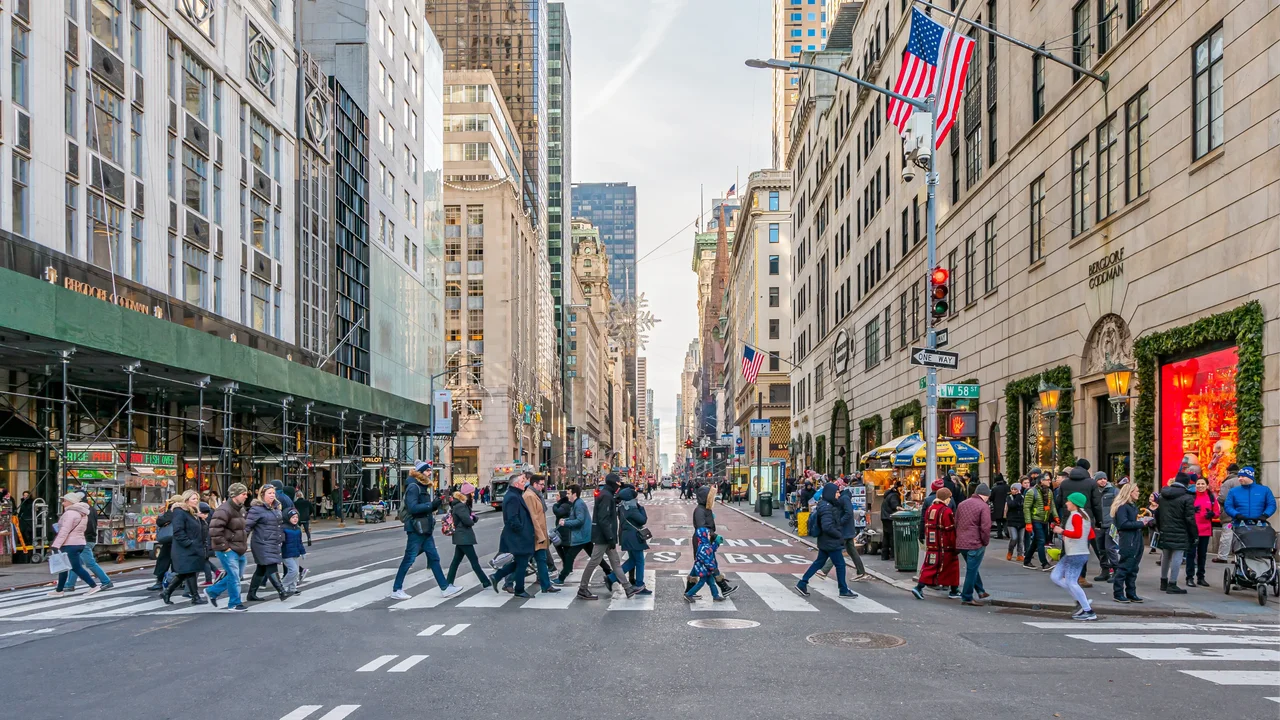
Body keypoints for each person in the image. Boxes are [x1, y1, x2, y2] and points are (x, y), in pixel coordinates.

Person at [389, 462, 460, 600]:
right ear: (420, 472)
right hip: (416, 528)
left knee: (434, 558)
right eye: (427, 471)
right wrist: (431, 505)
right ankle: (396, 589)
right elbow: (413, 508)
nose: (429, 473)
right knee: (409, 559)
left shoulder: (421, 486)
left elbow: (424, 507)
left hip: (424, 528)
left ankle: (445, 588)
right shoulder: (413, 487)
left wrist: (437, 503)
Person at [576, 474, 637, 600]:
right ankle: (583, 588)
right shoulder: (606, 496)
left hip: (607, 536)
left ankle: (627, 588)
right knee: (594, 561)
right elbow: (603, 520)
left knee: (615, 562)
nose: (618, 487)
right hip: (603, 537)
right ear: (613, 484)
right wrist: (610, 538)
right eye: (617, 484)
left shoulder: (607, 495)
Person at [795, 483, 857, 598]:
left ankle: (802, 583)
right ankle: (843, 589)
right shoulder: (827, 507)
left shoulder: (825, 505)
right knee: (840, 564)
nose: (838, 494)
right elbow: (827, 526)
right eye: (837, 492)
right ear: (831, 493)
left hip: (825, 541)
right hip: (831, 541)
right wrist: (839, 535)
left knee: (819, 562)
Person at [1050, 492, 1098, 621]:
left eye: (1069, 501)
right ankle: (1082, 601)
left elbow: (1077, 534)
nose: (1066, 503)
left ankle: (1088, 610)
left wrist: (1062, 532)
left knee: (1071, 582)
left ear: (1074, 504)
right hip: (1076, 552)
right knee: (1056, 577)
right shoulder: (1085, 516)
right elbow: (1090, 535)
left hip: (1075, 553)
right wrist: (1068, 536)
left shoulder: (1076, 516)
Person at [556, 484, 616, 584]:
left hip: (581, 536)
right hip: (585, 535)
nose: (567, 495)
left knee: (570, 556)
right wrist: (566, 520)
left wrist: (565, 523)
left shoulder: (578, 504)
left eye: (569, 493)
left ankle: (561, 578)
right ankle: (609, 571)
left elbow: (580, 520)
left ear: (574, 494)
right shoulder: (576, 503)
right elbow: (575, 518)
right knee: (595, 557)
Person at [1058, 461, 1106, 587]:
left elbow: (1058, 501)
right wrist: (1099, 520)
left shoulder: (1065, 483)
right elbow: (1096, 504)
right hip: (1085, 518)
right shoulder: (1091, 483)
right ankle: (1080, 577)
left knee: (1067, 547)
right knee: (1082, 548)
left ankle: (1063, 574)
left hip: (1068, 518)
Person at [47, 492, 100, 597]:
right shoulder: (82, 513)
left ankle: (93, 586)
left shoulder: (70, 513)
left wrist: (56, 545)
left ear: (71, 502)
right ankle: (59, 590)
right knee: (64, 567)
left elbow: (64, 531)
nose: (63, 503)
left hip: (70, 543)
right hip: (79, 542)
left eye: (65, 501)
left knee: (75, 567)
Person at [61, 489, 114, 593]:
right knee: (75, 563)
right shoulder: (91, 509)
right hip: (88, 538)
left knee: (89, 563)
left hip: (83, 539)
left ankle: (106, 581)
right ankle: (70, 584)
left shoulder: (81, 509)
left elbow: (84, 526)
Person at [493, 474, 537, 598]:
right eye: (523, 481)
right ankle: (519, 589)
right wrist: (522, 531)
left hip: (519, 536)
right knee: (522, 563)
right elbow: (512, 519)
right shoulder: (513, 497)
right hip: (518, 537)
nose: (525, 482)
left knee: (520, 562)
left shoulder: (515, 495)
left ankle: (497, 577)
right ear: (516, 484)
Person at [911, 487, 959, 600]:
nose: (950, 500)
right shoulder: (946, 511)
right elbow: (950, 530)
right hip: (945, 546)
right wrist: (955, 546)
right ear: (946, 498)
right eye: (949, 497)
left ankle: (953, 589)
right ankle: (953, 590)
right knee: (952, 567)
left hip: (933, 545)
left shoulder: (930, 509)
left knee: (930, 566)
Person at [207, 483, 249, 611]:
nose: (246, 496)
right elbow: (215, 530)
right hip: (228, 549)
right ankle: (234, 603)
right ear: (235, 495)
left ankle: (212, 592)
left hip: (238, 548)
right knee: (235, 576)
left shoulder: (240, 509)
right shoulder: (224, 510)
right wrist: (225, 547)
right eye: (243, 494)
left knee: (235, 575)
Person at [162, 490, 208, 605]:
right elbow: (178, 531)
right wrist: (189, 543)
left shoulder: (193, 512)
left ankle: (167, 592)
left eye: (197, 498)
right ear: (186, 500)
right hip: (184, 549)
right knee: (190, 572)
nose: (196, 501)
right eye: (193, 499)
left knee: (185, 573)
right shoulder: (180, 512)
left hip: (192, 547)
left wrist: (202, 520)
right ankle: (195, 597)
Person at [1155, 472, 1197, 594]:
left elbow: (1157, 514)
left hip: (1165, 529)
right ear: (1187, 483)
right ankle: (1172, 584)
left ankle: (1163, 581)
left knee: (1166, 555)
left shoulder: (1163, 495)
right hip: (1180, 530)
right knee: (1177, 557)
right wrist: (1194, 535)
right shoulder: (1187, 497)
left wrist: (1160, 527)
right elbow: (1190, 519)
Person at [245, 484, 288, 602]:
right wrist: (242, 542)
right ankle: (282, 591)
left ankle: (251, 594)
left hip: (273, 541)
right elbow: (247, 526)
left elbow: (279, 525)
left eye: (273, 493)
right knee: (271, 565)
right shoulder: (256, 509)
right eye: (269, 493)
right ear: (262, 495)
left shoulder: (275, 508)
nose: (272, 495)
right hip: (262, 542)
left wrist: (282, 538)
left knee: (261, 569)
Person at [820, 478, 868, 581]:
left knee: (837, 548)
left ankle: (824, 570)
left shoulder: (844, 498)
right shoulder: (844, 497)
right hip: (847, 529)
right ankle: (861, 572)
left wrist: (839, 522)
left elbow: (848, 513)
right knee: (851, 551)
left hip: (844, 529)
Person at [445, 484, 492, 588]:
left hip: (460, 537)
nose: (472, 494)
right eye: (471, 492)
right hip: (464, 536)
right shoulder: (461, 506)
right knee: (474, 561)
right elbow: (467, 521)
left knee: (456, 561)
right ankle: (485, 582)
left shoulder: (457, 505)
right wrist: (472, 519)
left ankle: (448, 582)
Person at [1111, 481, 1150, 603]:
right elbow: (1123, 524)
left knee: (1133, 568)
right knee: (1125, 567)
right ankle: (1118, 593)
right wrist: (1140, 523)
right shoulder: (1123, 507)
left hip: (1135, 539)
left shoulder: (1131, 506)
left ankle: (1131, 592)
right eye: (1136, 491)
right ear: (1130, 492)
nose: (1138, 493)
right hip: (1129, 540)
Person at [521, 474, 561, 594]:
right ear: (534, 484)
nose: (543, 487)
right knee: (523, 561)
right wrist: (540, 535)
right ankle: (504, 579)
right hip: (534, 535)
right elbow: (533, 518)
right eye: (541, 484)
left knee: (542, 560)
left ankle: (546, 585)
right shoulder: (529, 496)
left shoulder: (535, 495)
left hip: (539, 534)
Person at [955, 483, 992, 606]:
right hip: (975, 542)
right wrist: (985, 542)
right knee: (971, 570)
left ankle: (981, 591)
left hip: (961, 542)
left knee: (972, 567)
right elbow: (986, 527)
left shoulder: (962, 504)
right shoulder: (983, 506)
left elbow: (956, 523)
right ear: (986, 495)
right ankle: (967, 596)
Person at [618, 486, 652, 594]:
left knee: (632, 561)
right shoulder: (632, 509)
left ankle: (612, 578)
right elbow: (643, 520)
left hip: (627, 537)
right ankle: (639, 584)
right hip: (635, 538)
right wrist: (641, 508)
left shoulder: (622, 507)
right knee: (640, 561)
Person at [1187, 476, 1219, 587]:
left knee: (1202, 555)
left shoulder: (1211, 497)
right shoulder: (1191, 496)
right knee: (1191, 554)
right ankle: (1189, 577)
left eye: (1202, 484)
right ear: (1195, 485)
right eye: (1198, 484)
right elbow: (1184, 511)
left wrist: (1212, 514)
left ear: (1207, 485)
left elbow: (1217, 511)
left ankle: (1201, 577)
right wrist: (1192, 510)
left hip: (1205, 530)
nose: (1200, 486)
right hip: (1192, 529)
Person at [1023, 470, 1058, 571]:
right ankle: (1044, 563)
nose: (1050, 481)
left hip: (1044, 519)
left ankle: (1027, 560)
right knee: (1041, 540)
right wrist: (1028, 523)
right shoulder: (1031, 492)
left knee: (1036, 541)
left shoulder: (1049, 491)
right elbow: (1026, 508)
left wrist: (1055, 517)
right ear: (1041, 481)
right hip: (1036, 519)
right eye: (1047, 480)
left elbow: (1052, 506)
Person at [147, 495, 181, 591]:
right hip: (178, 539)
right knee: (176, 562)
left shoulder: (172, 512)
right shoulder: (184, 511)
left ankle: (160, 581)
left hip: (170, 540)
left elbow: (160, 521)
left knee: (164, 560)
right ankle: (178, 581)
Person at [685, 525, 725, 603]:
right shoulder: (703, 547)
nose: (710, 536)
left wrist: (716, 543)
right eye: (708, 535)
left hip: (706, 569)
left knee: (711, 582)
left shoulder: (705, 544)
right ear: (704, 536)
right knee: (701, 583)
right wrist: (713, 567)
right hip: (703, 569)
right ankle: (689, 594)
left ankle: (715, 595)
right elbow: (706, 560)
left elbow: (711, 549)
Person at [1214, 464, 1241, 564]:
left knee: (1227, 535)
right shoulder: (1244, 480)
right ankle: (1238, 558)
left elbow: (1222, 498)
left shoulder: (1228, 482)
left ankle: (1222, 556)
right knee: (1239, 536)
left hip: (1229, 515)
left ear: (1228, 472)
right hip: (1242, 514)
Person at [281, 509, 307, 595]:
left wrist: (302, 552)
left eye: (296, 517)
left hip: (295, 553)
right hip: (286, 553)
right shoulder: (283, 528)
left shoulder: (298, 529)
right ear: (288, 518)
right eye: (293, 517)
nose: (295, 519)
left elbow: (299, 542)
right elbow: (280, 541)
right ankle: (282, 586)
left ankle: (292, 588)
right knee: (294, 571)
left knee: (294, 573)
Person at [879, 482, 902, 561]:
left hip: (885, 517)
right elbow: (895, 506)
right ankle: (893, 555)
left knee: (886, 536)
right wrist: (903, 509)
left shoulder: (889, 494)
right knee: (892, 536)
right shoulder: (894, 495)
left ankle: (884, 555)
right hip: (890, 517)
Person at [1005, 480, 1025, 562]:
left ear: (1019, 490)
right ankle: (1010, 551)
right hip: (1012, 521)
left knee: (1021, 539)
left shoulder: (1023, 497)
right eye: (1012, 489)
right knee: (1014, 538)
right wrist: (1018, 496)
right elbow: (1012, 505)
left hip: (1021, 521)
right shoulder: (1009, 497)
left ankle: (1020, 555)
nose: (1013, 490)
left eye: (1015, 489)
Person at [989, 474, 1009, 539]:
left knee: (998, 521)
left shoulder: (994, 488)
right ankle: (1007, 532)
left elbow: (991, 498)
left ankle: (999, 534)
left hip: (997, 506)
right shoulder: (1007, 487)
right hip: (1006, 506)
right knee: (1005, 520)